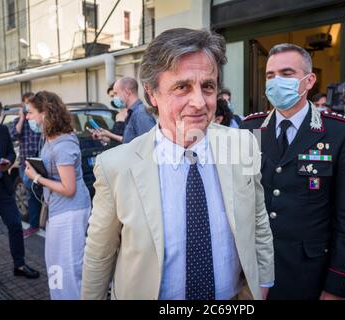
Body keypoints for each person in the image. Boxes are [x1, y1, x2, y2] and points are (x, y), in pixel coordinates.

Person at [82, 28, 274, 300]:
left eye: (207, 86)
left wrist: (263, 284)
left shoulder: (243, 145)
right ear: (151, 94)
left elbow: (258, 223)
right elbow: (99, 256)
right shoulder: (116, 166)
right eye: (182, 87)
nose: (199, 102)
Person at [240, 43, 345, 300]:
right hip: (253, 269)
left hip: (307, 272)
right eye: (270, 75)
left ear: (309, 81)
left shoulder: (340, 133)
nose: (276, 82)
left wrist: (337, 285)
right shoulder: (248, 129)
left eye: (286, 73)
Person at [24, 91, 91, 300]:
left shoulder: (63, 143)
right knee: (55, 262)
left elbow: (69, 188)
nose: (27, 117)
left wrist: (36, 177)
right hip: (59, 209)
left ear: (45, 113)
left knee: (69, 267)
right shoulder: (52, 137)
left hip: (70, 211)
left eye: (31, 112)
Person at [0, 96, 40, 288]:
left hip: (1, 185)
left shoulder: (1, 129)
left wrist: (7, 161)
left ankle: (20, 265)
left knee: (15, 225)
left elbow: (10, 153)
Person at [9, 92, 43, 238]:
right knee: (31, 193)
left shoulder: (39, 119)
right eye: (26, 103)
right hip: (26, 164)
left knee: (43, 193)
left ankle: (42, 221)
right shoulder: (20, 120)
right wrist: (22, 118)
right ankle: (34, 224)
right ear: (23, 104)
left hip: (41, 162)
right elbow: (13, 135)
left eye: (31, 103)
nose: (28, 106)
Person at [91, 77, 156, 144]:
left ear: (127, 92)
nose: (115, 98)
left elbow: (149, 144)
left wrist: (109, 134)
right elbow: (128, 141)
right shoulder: (132, 113)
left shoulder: (140, 114)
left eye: (116, 93)